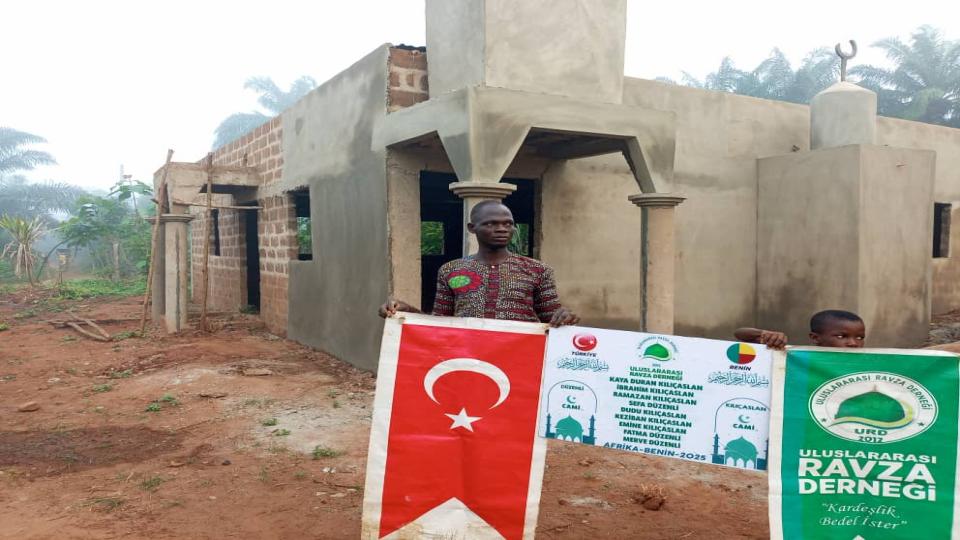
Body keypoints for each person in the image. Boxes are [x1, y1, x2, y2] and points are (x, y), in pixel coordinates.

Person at [379, 200, 580, 327]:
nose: (502, 229)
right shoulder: (451, 270)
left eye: (507, 224)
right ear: (472, 228)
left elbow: (550, 318)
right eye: (490, 223)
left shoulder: (538, 270)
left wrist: (564, 317)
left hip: (521, 355)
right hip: (468, 354)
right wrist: (407, 311)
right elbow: (440, 322)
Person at [734, 309, 866, 349]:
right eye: (841, 336)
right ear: (815, 338)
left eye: (859, 338)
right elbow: (740, 334)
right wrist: (765, 334)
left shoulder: (868, 362)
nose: (853, 343)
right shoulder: (800, 358)